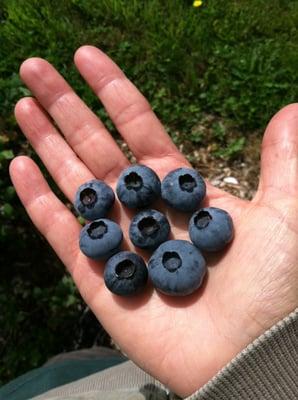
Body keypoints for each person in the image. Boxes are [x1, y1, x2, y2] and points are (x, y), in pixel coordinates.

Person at [2, 45, 298, 399]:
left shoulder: (172, 226)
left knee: (59, 374)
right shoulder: (144, 229)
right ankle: (93, 355)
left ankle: (90, 354)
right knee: (73, 368)